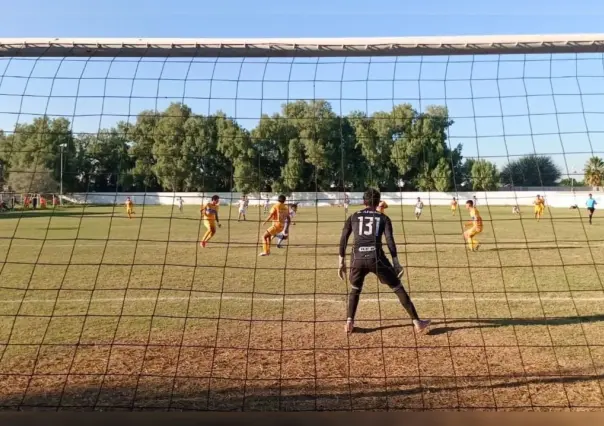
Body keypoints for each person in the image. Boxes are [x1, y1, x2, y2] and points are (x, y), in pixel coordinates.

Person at [338, 188, 431, 335]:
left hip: (357, 259)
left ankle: (349, 322)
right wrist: (395, 261)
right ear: (378, 202)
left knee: (355, 290)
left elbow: (343, 238)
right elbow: (390, 240)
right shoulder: (383, 218)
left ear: (364, 201)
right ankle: (417, 322)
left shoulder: (353, 216)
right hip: (377, 258)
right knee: (397, 287)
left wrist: (341, 261)